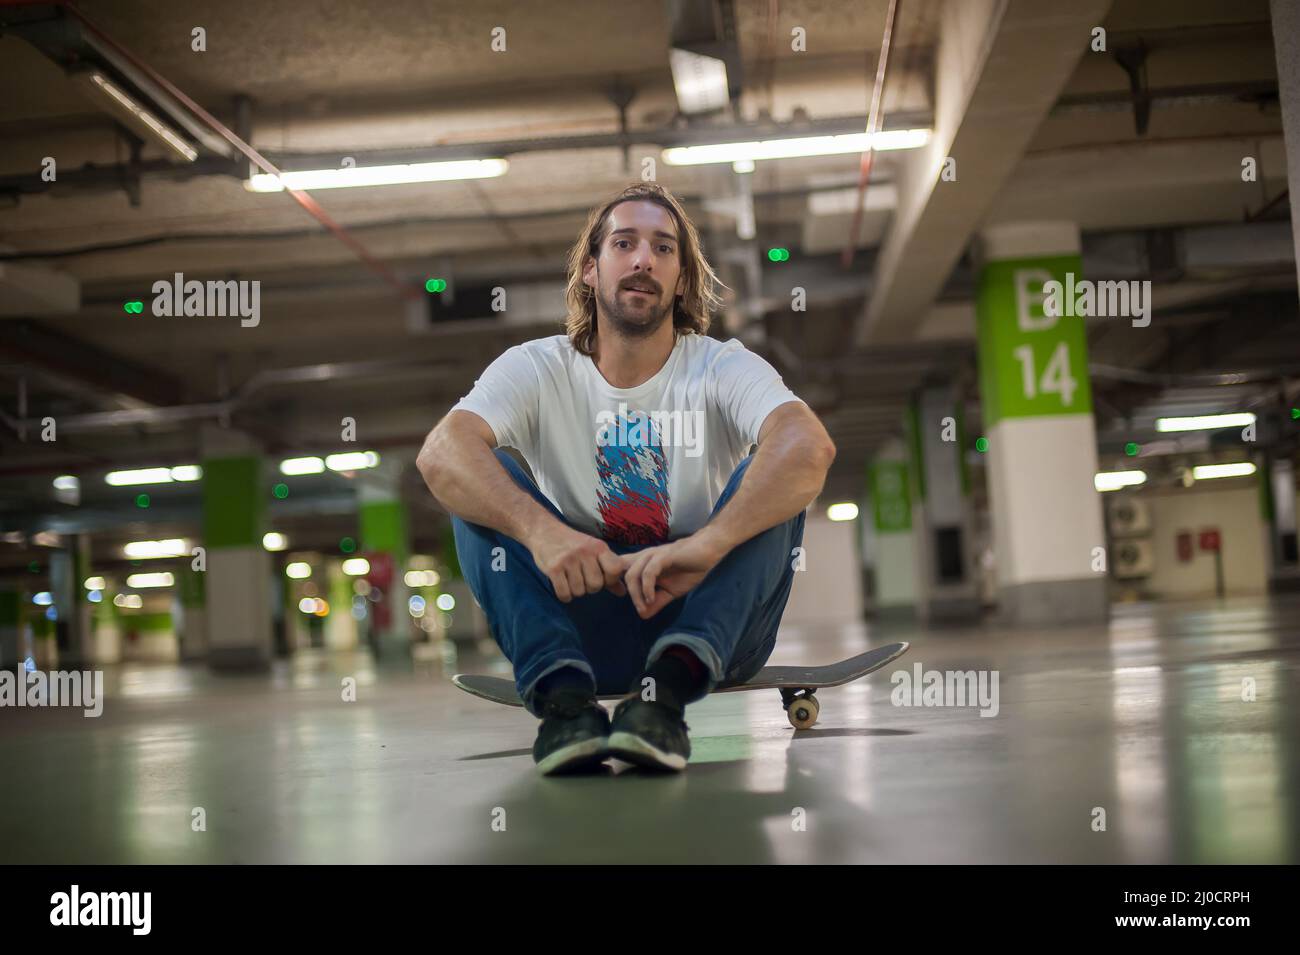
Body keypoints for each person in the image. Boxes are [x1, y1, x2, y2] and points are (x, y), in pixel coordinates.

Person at [418, 182, 835, 775]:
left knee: (773, 473)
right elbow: (440, 454)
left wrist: (707, 545)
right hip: (588, 631)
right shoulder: (537, 367)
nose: (644, 259)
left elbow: (808, 446)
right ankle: (566, 708)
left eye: (665, 249)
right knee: (483, 477)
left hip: (712, 631)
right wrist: (544, 535)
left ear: (683, 279)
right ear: (591, 268)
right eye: (624, 243)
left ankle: (663, 704)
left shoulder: (722, 366)